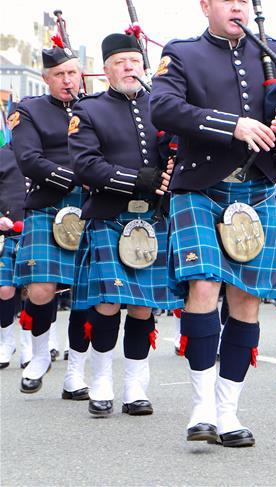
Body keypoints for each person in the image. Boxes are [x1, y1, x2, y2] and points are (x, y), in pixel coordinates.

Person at [150, 0, 276, 447]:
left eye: (242, 0)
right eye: (225, 0)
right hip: (199, 187)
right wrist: (232, 125)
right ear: (206, 6)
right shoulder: (182, 53)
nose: (236, 8)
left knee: (246, 301)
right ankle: (200, 406)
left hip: (255, 191)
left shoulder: (274, 55)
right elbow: (164, 109)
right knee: (203, 285)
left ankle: (229, 410)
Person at [68, 32, 182, 416]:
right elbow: (85, 164)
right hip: (110, 214)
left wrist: (173, 168)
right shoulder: (89, 111)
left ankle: (136, 385)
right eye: (120, 62)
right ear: (106, 70)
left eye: (134, 60)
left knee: (143, 306)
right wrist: (138, 179)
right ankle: (100, 379)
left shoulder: (163, 108)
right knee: (108, 302)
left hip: (153, 217)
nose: (129, 67)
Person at [11, 44, 92, 398]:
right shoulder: (28, 111)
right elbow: (28, 158)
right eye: (59, 74)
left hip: (93, 205)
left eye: (72, 73)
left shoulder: (95, 109)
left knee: (88, 295)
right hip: (50, 203)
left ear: (81, 74)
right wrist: (77, 176)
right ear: (46, 79)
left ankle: (76, 371)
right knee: (42, 289)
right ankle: (41, 354)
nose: (67, 80)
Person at [0, 143, 26, 369]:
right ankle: (6, 341)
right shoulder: (2, 155)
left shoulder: (43, 151)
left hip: (40, 229)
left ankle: (29, 344)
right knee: (4, 288)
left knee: (36, 290)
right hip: (9, 233)